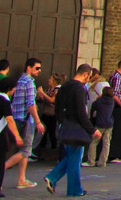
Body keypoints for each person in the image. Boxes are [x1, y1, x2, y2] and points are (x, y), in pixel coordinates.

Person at [43, 64, 102, 197]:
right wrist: (92, 130)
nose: (89, 79)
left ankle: (53, 178)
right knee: (75, 160)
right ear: (86, 74)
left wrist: (62, 122)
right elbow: (81, 113)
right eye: (89, 76)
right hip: (77, 128)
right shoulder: (79, 89)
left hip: (65, 126)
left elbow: (57, 107)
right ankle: (73, 189)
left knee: (71, 157)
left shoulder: (65, 86)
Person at [5, 57, 45, 190]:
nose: (39, 71)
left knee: (20, 150)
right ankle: (0, 169)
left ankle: (21, 178)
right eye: (37, 68)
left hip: (17, 118)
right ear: (29, 67)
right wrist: (38, 122)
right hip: (26, 120)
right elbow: (31, 104)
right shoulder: (29, 82)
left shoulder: (20, 80)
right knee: (26, 150)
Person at [83, 86, 115, 167]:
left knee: (94, 142)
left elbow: (94, 107)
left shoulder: (99, 101)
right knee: (106, 143)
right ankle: (102, 162)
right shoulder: (112, 101)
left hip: (100, 123)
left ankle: (91, 161)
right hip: (109, 123)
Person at [35, 72, 64, 153]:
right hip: (45, 113)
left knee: (52, 133)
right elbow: (45, 100)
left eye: (50, 79)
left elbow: (52, 100)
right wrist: (40, 96)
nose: (48, 80)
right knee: (43, 133)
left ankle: (53, 151)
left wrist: (43, 93)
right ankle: (41, 150)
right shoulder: (49, 89)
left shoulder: (57, 90)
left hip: (52, 115)